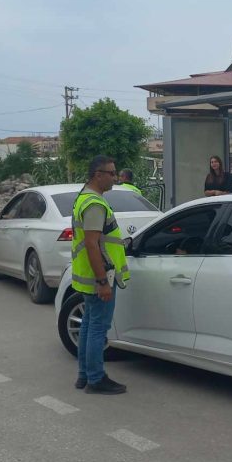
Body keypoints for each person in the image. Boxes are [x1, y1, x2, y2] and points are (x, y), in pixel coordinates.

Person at [71, 155, 130, 395]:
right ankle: (95, 378)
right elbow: (93, 244)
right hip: (99, 277)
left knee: (88, 325)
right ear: (98, 175)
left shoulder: (84, 198)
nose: (115, 178)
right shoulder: (94, 204)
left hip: (87, 275)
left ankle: (84, 375)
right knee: (97, 328)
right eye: (111, 173)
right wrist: (103, 281)